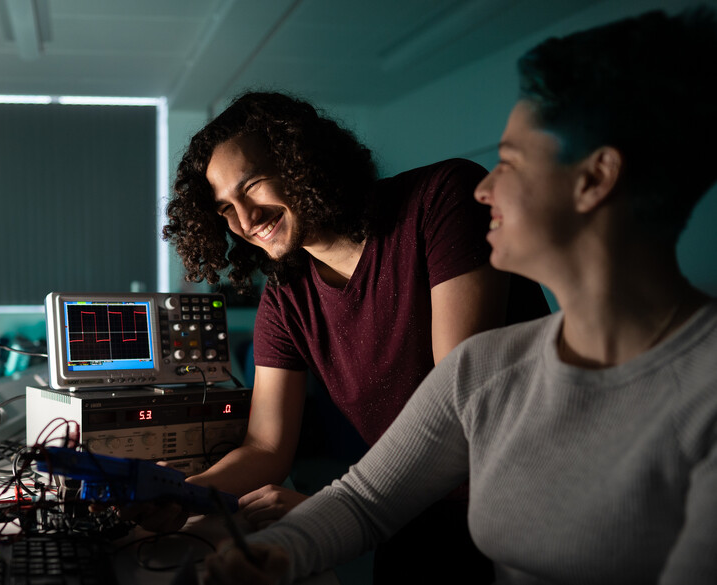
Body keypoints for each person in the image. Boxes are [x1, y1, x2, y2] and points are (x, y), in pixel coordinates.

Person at [204, 6, 717, 584]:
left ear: (595, 179)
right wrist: (272, 555)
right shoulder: (488, 365)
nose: (486, 186)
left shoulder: (702, 389)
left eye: (510, 163)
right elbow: (365, 501)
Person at [153, 91, 550, 582]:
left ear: (301, 160)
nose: (246, 220)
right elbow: (265, 447)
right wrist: (181, 491)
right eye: (224, 209)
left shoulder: (441, 199)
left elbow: (456, 411)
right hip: (408, 519)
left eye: (252, 185)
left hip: (526, 509)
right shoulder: (285, 297)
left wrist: (335, 511)